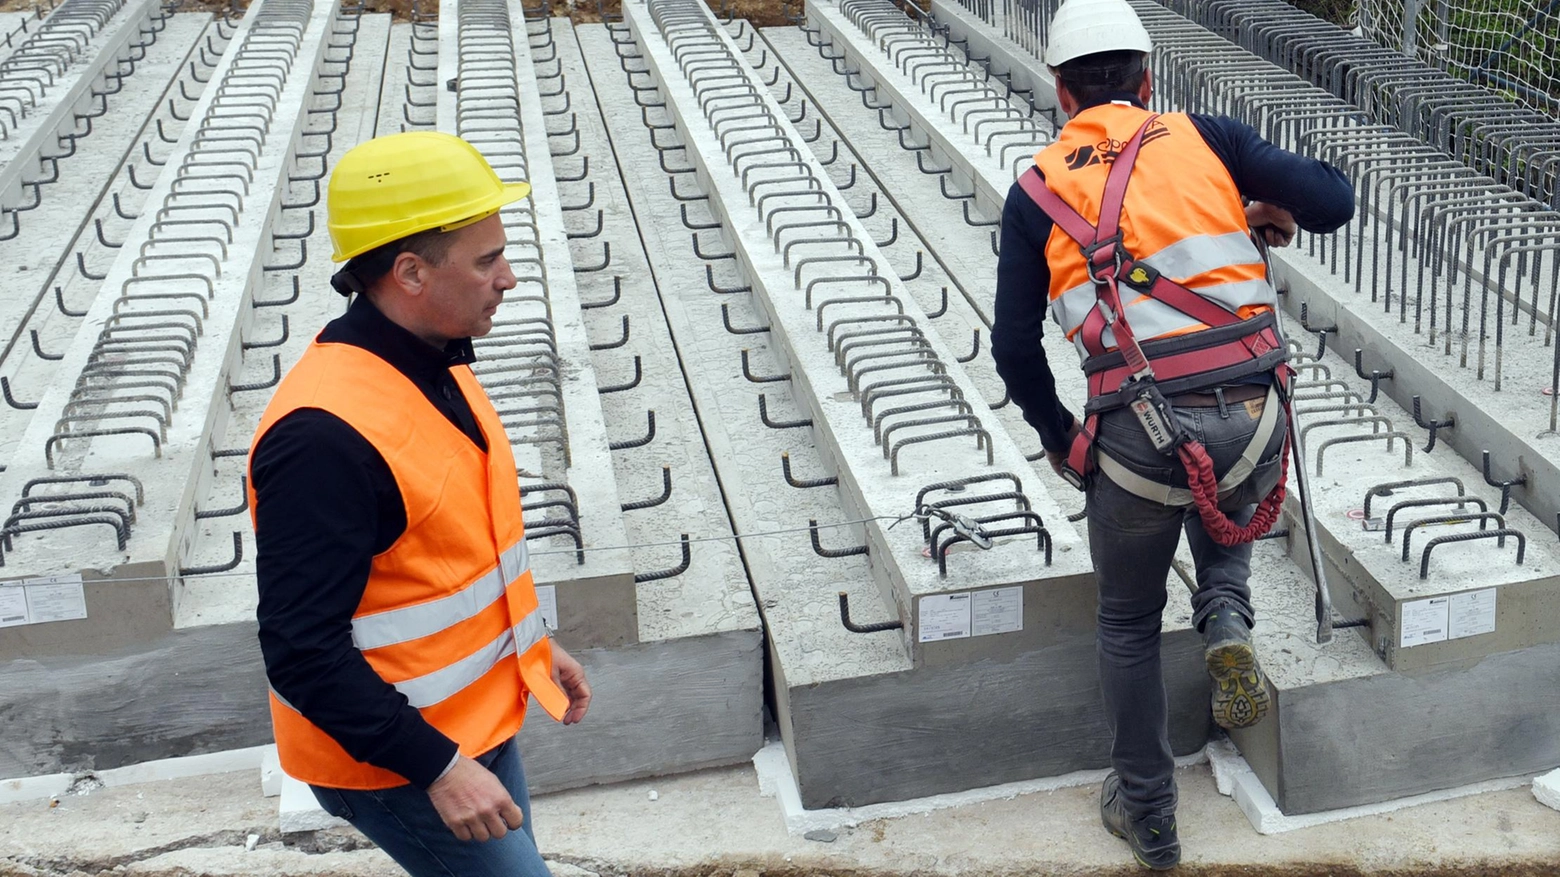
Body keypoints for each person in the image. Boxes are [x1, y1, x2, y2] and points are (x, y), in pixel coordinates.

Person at [991, 0, 1354, 869]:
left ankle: (1150, 813)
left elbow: (1012, 347)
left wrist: (1059, 434)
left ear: (1061, 89)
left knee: (1126, 617)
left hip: (1138, 438)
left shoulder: (1038, 188)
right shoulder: (1205, 136)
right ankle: (1226, 610)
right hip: (1259, 422)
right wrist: (1252, 202)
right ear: (1148, 80)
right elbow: (1335, 201)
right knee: (1220, 470)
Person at [249, 131, 591, 877]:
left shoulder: (435, 362)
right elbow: (302, 651)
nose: (509, 277)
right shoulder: (321, 439)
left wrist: (528, 646)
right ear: (409, 271)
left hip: (472, 726)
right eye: (486, 259)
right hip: (401, 764)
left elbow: (445, 560)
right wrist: (438, 767)